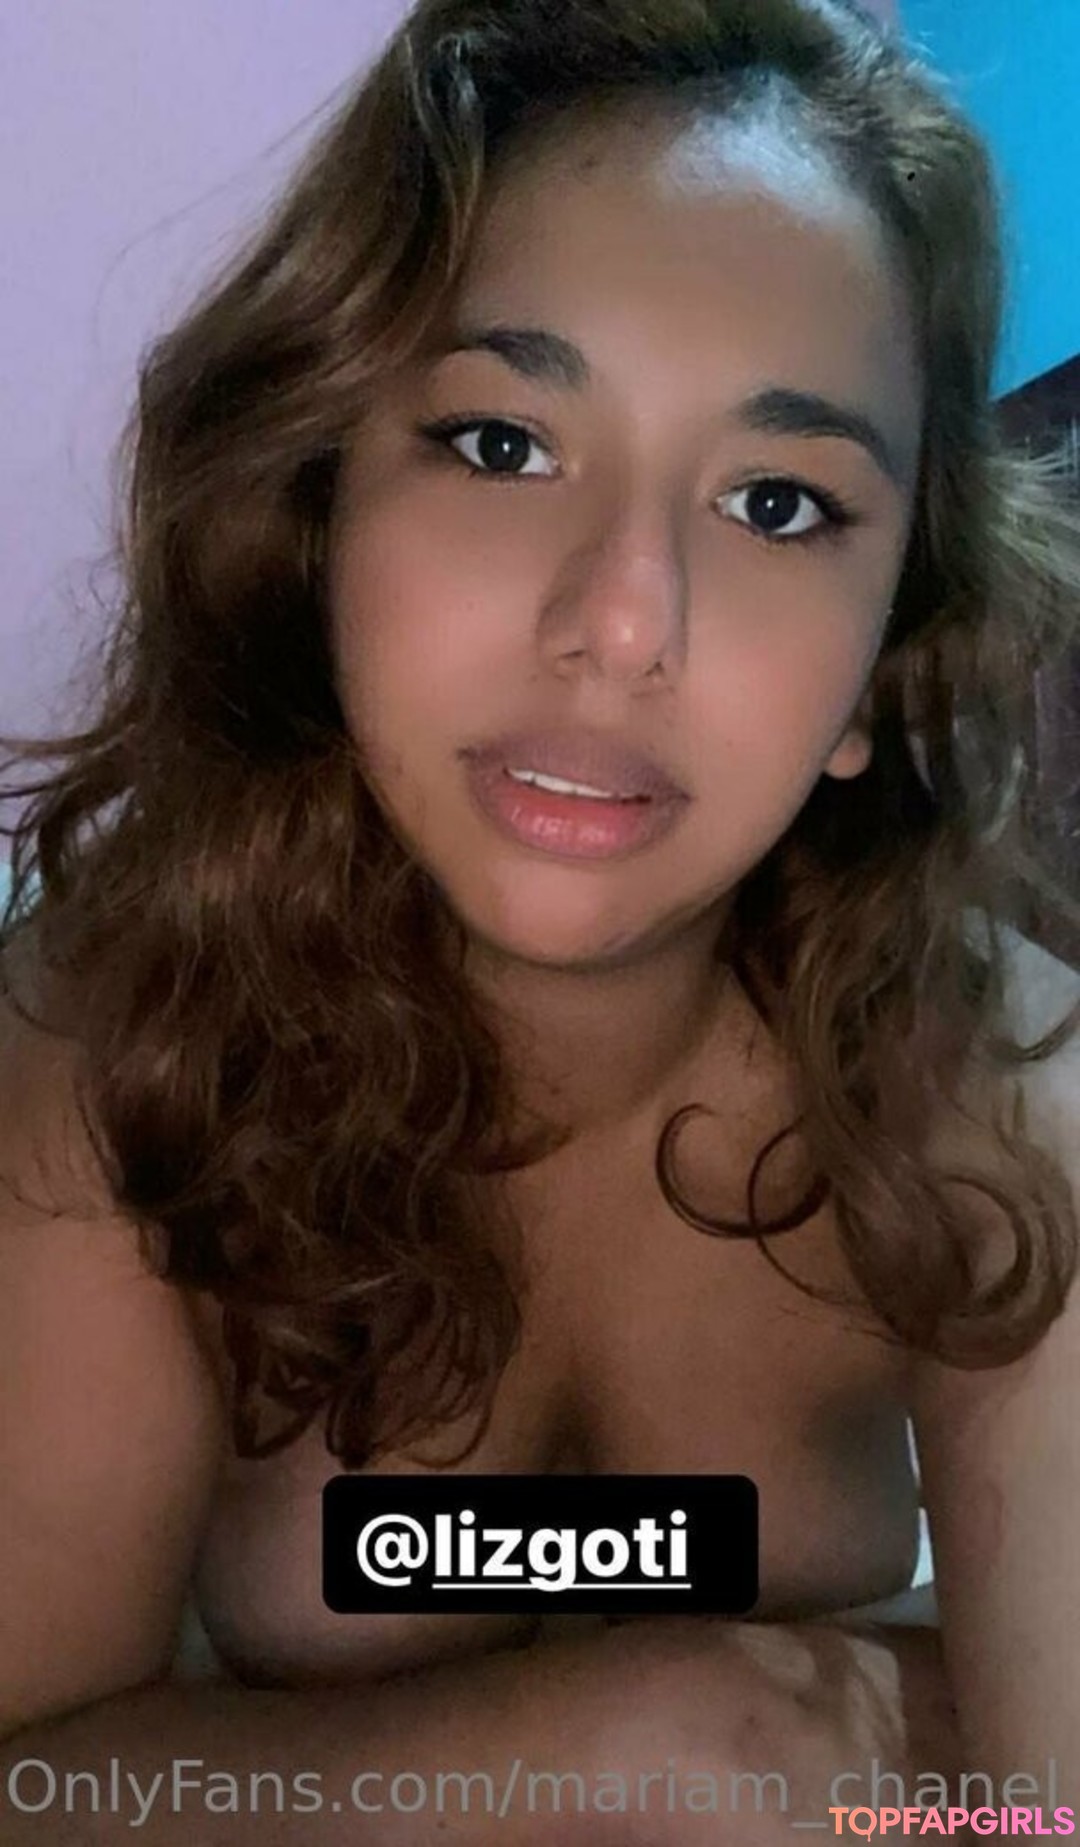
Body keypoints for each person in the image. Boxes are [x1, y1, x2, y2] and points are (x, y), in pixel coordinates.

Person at [2, 0, 1080, 1839]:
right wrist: (647, 1744)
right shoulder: (123, 1053)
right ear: (323, 506)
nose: (626, 618)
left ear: (889, 650)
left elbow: (1034, 1827)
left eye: (777, 502)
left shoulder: (1007, 1107)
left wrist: (874, 1817)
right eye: (503, 445)